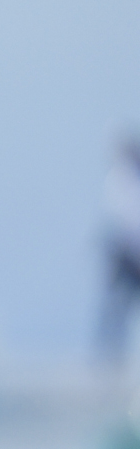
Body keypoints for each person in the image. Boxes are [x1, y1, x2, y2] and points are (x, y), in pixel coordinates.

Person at [99, 133, 140, 366]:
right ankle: (109, 357)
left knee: (119, 306)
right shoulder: (119, 179)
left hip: (133, 254)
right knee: (117, 308)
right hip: (126, 256)